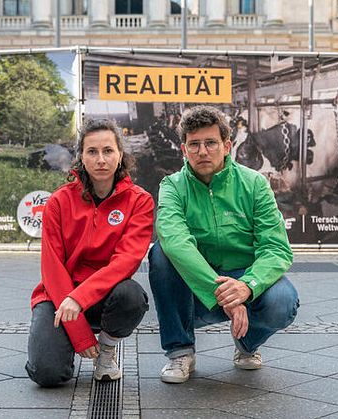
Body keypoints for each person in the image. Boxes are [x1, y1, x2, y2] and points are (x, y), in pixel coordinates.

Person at [148, 105, 299, 384]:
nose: (202, 151)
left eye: (210, 143)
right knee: (160, 253)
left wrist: (247, 286)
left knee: (283, 302)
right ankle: (180, 351)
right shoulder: (172, 186)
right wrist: (223, 294)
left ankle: (247, 343)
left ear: (227, 145)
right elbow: (175, 241)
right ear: (184, 150)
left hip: (243, 277)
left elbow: (277, 249)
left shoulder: (254, 184)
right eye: (194, 144)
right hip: (196, 290)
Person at [26, 119, 154, 387]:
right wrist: (80, 334)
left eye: (108, 151)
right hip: (59, 297)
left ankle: (106, 351)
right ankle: (57, 343)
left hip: (105, 296)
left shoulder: (139, 201)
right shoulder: (59, 202)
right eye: (92, 152)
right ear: (81, 157)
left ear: (120, 154)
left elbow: (126, 262)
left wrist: (80, 298)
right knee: (47, 374)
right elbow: (52, 269)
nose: (101, 159)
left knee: (132, 295)